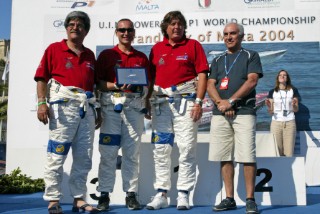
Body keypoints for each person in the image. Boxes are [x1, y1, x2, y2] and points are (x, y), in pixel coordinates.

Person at [34, 11, 100, 214]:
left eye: (80, 25)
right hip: (62, 108)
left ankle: (79, 198)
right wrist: (41, 103)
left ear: (86, 31)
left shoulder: (90, 55)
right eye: (71, 24)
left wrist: (98, 111)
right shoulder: (54, 49)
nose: (75, 27)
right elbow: (41, 78)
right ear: (66, 28)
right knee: (57, 155)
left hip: (86, 109)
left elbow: (94, 85)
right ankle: (53, 199)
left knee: (84, 157)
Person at [146, 11, 209, 210]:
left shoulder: (193, 46)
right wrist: (147, 101)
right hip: (161, 106)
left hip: (187, 104)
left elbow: (202, 75)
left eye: (180, 24)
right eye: (173, 24)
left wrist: (199, 102)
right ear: (165, 27)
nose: (177, 27)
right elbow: (151, 78)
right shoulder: (156, 48)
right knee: (161, 149)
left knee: (187, 148)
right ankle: (161, 194)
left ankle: (183, 194)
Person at [207, 23, 263, 214]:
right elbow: (210, 84)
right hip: (220, 112)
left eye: (232, 34)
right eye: (225, 34)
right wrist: (220, 103)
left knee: (247, 156)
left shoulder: (251, 55)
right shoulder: (217, 60)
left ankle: (250, 199)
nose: (228, 37)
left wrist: (230, 101)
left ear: (241, 36)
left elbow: (252, 80)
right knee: (224, 156)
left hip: (244, 111)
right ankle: (229, 198)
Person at [95, 18, 150, 211]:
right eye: (122, 30)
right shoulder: (106, 55)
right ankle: (103, 195)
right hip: (111, 109)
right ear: (116, 32)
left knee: (131, 153)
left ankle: (131, 194)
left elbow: (146, 85)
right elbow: (98, 83)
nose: (125, 33)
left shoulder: (142, 57)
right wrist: (114, 85)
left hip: (134, 108)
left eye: (129, 30)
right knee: (108, 153)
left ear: (134, 33)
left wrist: (144, 97)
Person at [265, 70, 299, 157]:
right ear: (277, 77)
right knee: (276, 151)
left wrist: (294, 105)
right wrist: (269, 107)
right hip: (276, 123)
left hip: (290, 123)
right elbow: (271, 112)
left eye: (284, 75)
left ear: (287, 78)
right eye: (280, 75)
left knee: (289, 153)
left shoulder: (293, 90)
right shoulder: (272, 91)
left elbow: (296, 110)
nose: (282, 76)